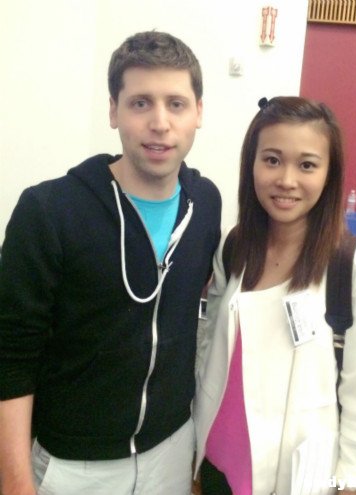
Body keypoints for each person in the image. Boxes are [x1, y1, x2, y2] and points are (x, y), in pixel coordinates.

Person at [0, 31, 221, 495]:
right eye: (141, 103)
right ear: (113, 110)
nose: (160, 123)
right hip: (72, 465)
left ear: (199, 112)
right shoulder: (49, 211)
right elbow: (11, 355)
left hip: (171, 450)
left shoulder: (205, 204)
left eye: (176, 104)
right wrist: (15, 480)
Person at [193, 97, 356, 495]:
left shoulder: (351, 267)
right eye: (272, 160)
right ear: (251, 164)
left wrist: (354, 481)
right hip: (216, 463)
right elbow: (210, 348)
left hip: (295, 475)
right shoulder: (233, 246)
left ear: (329, 174)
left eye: (307, 165)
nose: (286, 179)